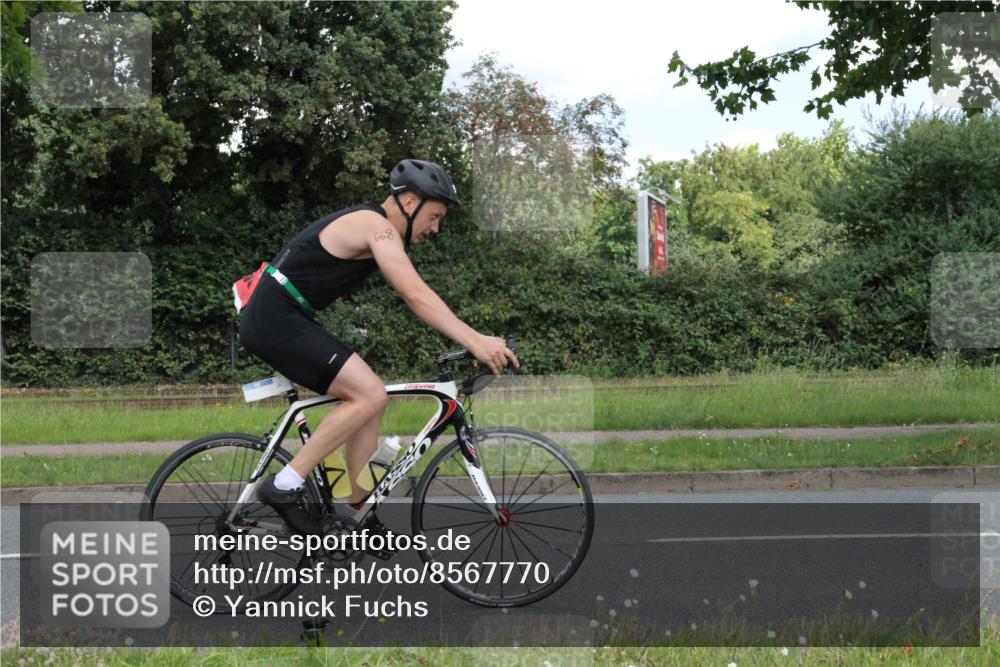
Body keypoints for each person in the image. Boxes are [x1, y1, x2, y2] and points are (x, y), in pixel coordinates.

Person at [238, 159, 519, 535]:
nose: (435, 228)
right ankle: (284, 485)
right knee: (368, 393)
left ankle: (358, 506)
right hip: (275, 316)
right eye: (434, 216)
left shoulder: (377, 227)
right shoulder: (378, 227)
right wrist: (477, 341)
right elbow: (415, 294)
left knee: (371, 395)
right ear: (408, 202)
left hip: (283, 314)